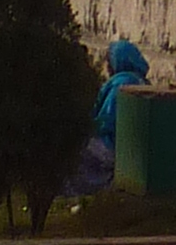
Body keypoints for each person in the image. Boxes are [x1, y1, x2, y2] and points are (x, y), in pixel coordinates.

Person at [61, 38, 149, 197]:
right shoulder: (142, 82)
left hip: (111, 145)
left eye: (109, 61)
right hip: (132, 150)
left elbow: (106, 120)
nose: (108, 67)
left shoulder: (120, 83)